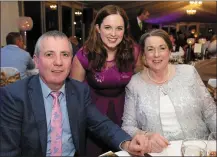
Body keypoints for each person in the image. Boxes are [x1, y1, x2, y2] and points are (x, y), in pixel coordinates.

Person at [0, 30, 152, 156]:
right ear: (36, 61)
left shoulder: (79, 90)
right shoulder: (14, 96)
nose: (58, 62)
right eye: (49, 55)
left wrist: (126, 143)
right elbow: (8, 152)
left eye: (65, 55)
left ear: (71, 61)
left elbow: (101, 124)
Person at [121, 29, 216, 153]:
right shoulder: (134, 84)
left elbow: (211, 113)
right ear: (144, 54)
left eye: (162, 48)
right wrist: (147, 135)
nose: (156, 54)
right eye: (150, 49)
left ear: (170, 51)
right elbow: (127, 126)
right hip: (159, 152)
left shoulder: (189, 73)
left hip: (197, 148)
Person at [70, 5, 141, 156]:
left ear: (125, 29)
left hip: (125, 112)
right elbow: (74, 96)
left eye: (119, 28)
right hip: (93, 114)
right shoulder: (84, 55)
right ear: (97, 28)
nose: (113, 34)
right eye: (108, 27)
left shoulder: (133, 51)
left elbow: (141, 84)